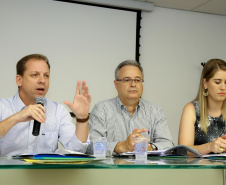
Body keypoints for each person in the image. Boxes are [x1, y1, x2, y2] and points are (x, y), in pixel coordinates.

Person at [0, 54, 91, 156]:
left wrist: (82, 119)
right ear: (19, 80)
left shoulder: (58, 111)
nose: (42, 80)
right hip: (7, 172)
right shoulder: (2, 107)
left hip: (46, 172)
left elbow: (77, 151)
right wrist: (16, 117)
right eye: (35, 75)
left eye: (46, 76)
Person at [87, 60, 173, 156]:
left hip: (146, 169)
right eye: (127, 80)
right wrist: (121, 146)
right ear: (116, 84)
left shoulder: (155, 111)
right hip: (112, 170)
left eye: (137, 80)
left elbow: (168, 144)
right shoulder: (102, 109)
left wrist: (150, 147)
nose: (133, 84)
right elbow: (90, 147)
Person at [178, 58, 226, 155]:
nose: (223, 87)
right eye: (217, 82)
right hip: (199, 169)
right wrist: (210, 147)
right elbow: (183, 150)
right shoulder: (191, 109)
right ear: (205, 83)